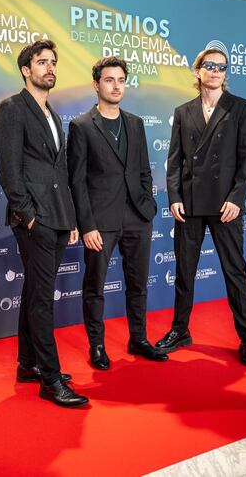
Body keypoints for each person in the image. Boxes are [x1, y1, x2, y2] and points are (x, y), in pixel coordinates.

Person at [0, 39, 89, 407]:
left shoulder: (52, 113)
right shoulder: (12, 109)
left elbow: (58, 171)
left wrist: (70, 218)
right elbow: (9, 171)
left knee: (34, 292)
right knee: (42, 300)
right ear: (25, 70)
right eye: (41, 62)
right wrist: (29, 217)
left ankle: (27, 364)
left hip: (57, 217)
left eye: (53, 62)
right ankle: (50, 380)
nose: (50, 68)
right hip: (34, 220)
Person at [155, 47, 246, 367]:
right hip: (189, 204)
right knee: (184, 272)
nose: (216, 70)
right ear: (198, 70)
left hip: (226, 204)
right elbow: (174, 161)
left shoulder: (240, 108)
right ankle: (180, 330)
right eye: (210, 65)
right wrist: (174, 197)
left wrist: (236, 199)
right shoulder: (184, 111)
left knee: (235, 272)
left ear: (225, 73)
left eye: (221, 66)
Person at [67, 56, 167, 369]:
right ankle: (97, 346)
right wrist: (87, 225)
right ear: (96, 85)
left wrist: (148, 207)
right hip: (100, 222)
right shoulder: (81, 126)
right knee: (94, 286)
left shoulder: (135, 123)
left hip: (138, 216)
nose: (116, 86)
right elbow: (77, 181)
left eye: (121, 80)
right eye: (109, 80)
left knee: (138, 284)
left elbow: (143, 171)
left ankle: (138, 339)